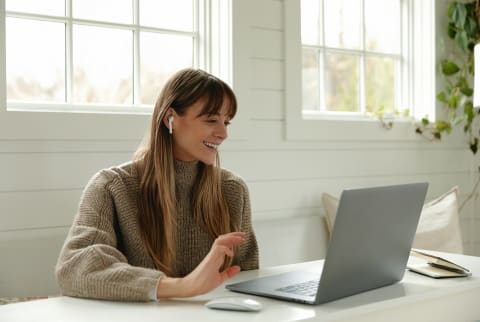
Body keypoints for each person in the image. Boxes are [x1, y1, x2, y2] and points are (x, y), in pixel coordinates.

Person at [55, 68, 259, 301]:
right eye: (211, 120)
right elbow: (75, 270)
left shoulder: (233, 190)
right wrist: (182, 286)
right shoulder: (111, 187)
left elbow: (247, 277)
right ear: (169, 118)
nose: (223, 133)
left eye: (227, 122)